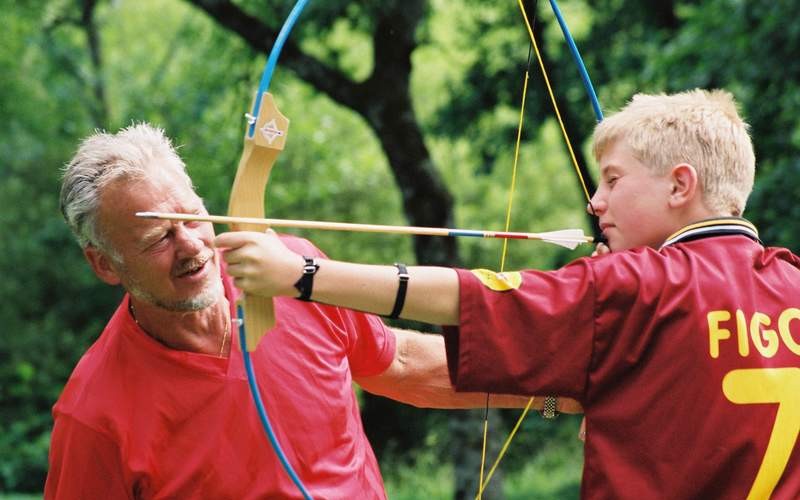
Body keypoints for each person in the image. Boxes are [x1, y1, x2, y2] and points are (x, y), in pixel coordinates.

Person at [216, 89, 800, 499]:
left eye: (614, 181)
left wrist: (300, 276)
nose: (596, 203)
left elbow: (468, 295)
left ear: (680, 185)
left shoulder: (636, 285)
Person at [46, 123, 580, 499]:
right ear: (105, 265)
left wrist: (556, 390)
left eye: (191, 216)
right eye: (157, 236)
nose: (190, 245)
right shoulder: (93, 413)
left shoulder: (291, 269)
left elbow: (397, 366)